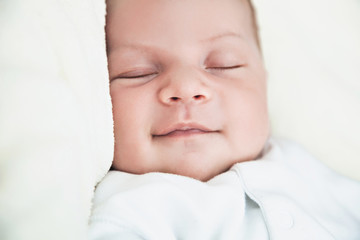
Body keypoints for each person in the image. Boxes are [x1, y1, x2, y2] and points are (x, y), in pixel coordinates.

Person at [89, 0, 360, 239]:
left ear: (263, 83)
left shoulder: (301, 167)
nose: (186, 87)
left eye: (224, 65)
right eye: (138, 72)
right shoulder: (126, 209)